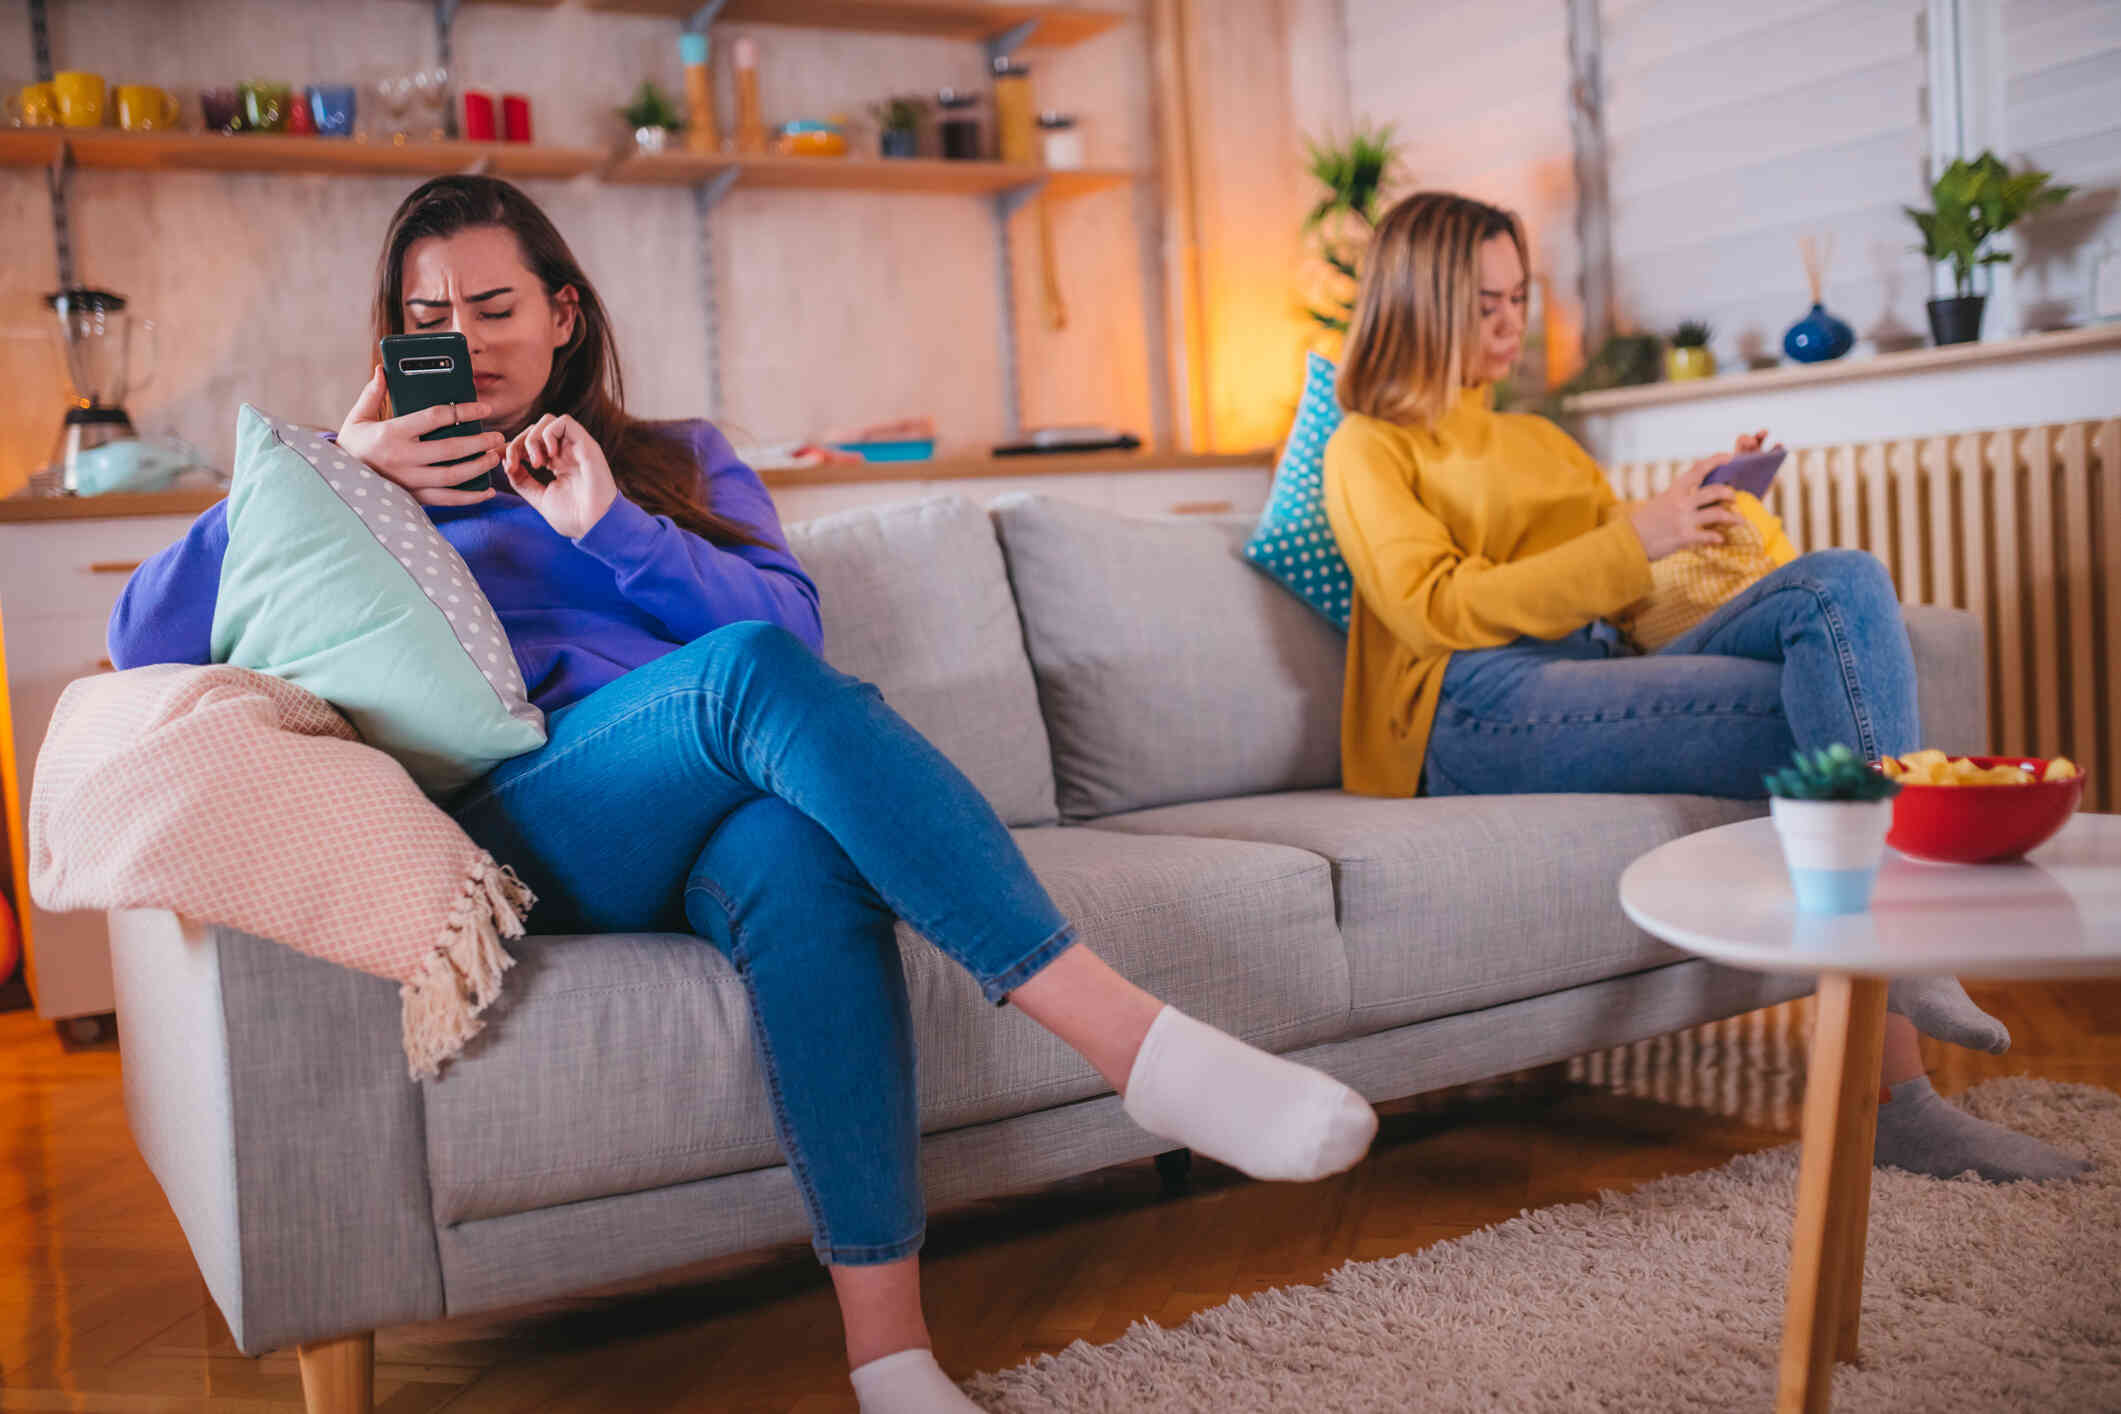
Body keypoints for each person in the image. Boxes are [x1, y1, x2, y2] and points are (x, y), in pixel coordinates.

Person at [107, 174, 1379, 1413]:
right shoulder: (361, 490)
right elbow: (137, 628)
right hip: (536, 823)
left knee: (799, 857)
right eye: (427, 319)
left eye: (493, 307)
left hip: (707, 813)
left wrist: (610, 526)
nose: (465, 341)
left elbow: (794, 635)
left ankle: (891, 1363)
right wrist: (341, 466)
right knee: (740, 681)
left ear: (563, 314)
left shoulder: (677, 460)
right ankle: (1134, 1044)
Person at [1320, 190, 2090, 1186]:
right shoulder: (1367, 447)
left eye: (1520, 296)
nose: (1514, 323)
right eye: (1486, 303)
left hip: (1601, 663)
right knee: (1838, 723)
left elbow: (1639, 605)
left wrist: (1698, 522)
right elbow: (1436, 607)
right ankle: (1901, 1067)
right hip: (1471, 704)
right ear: (1421, 301)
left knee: (1844, 588)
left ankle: (1895, 1035)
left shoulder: (1541, 441)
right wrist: (1632, 537)